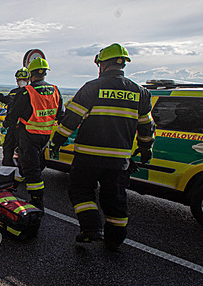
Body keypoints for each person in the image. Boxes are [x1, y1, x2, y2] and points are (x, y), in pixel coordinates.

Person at [49, 43, 155, 251]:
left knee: (81, 189)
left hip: (88, 156)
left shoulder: (92, 88)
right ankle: (115, 239)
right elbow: (146, 127)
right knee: (115, 198)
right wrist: (146, 149)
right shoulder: (140, 93)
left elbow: (71, 120)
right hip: (119, 160)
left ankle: (91, 229)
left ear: (102, 65)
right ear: (123, 64)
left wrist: (57, 142)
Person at [3, 57, 63, 210]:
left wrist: (7, 126)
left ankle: (37, 202)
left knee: (32, 170)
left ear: (30, 74)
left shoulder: (26, 92)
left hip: (29, 136)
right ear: (45, 74)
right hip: (45, 137)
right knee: (26, 163)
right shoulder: (55, 90)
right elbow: (60, 115)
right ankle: (12, 185)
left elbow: (13, 115)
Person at [0, 68, 30, 167]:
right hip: (12, 127)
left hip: (25, 128)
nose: (21, 81)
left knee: (24, 152)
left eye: (23, 79)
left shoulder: (31, 93)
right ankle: (6, 171)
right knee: (7, 149)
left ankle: (21, 172)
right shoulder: (14, 92)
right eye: (19, 79)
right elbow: (6, 100)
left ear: (28, 79)